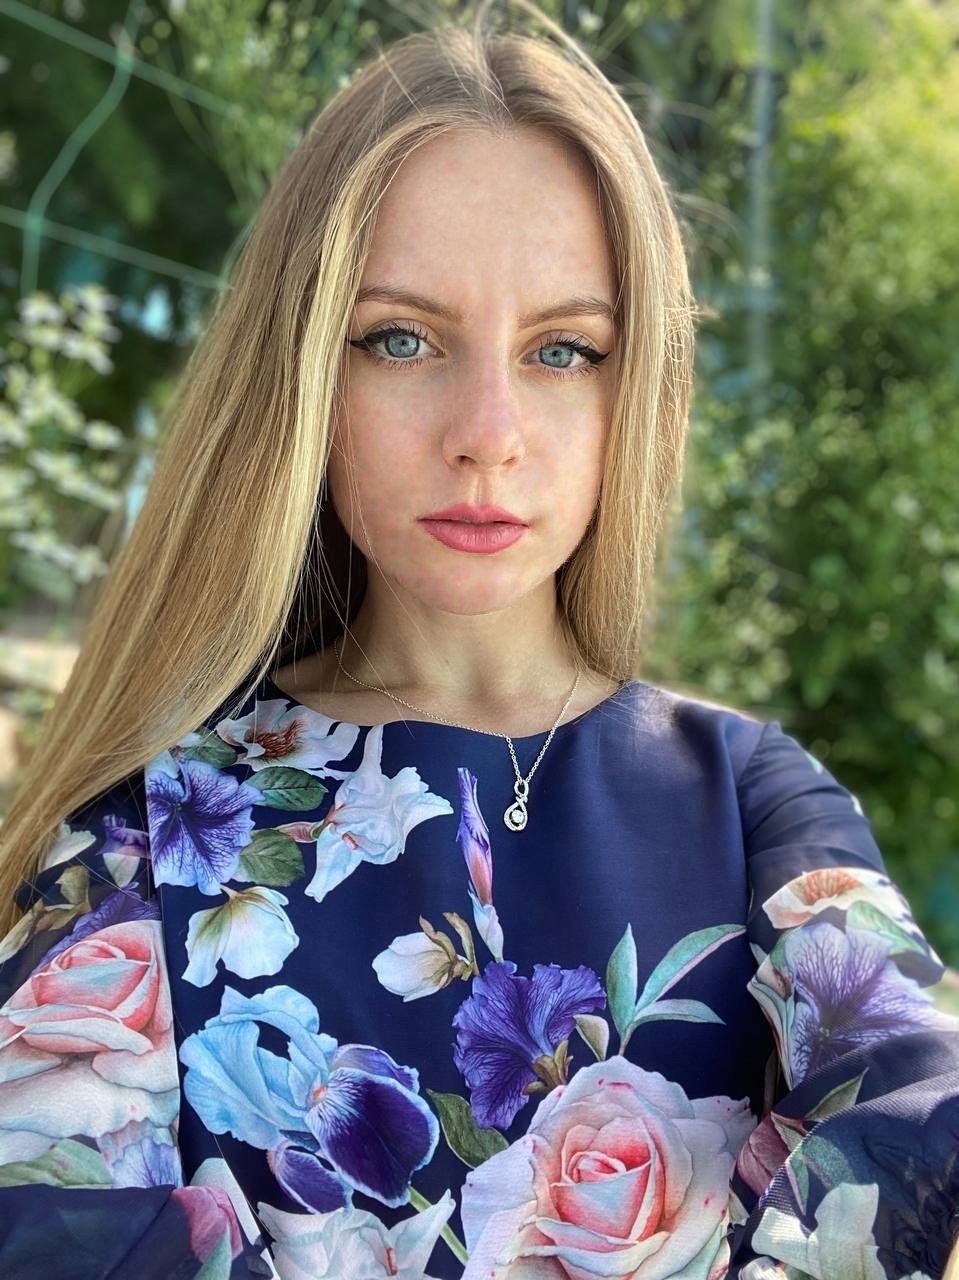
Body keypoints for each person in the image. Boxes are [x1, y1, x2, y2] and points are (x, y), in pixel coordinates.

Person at [1, 1, 957, 1276]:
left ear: (636, 387)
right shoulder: (142, 828)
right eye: (401, 339)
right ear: (303, 373)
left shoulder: (751, 805)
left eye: (563, 349)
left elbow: (917, 1128)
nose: (488, 433)